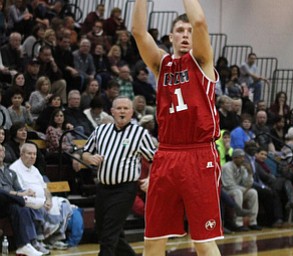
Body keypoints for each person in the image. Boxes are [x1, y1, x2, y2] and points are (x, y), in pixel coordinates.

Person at [132, 1, 223, 255]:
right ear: (170, 36)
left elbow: (201, 22)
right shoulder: (161, 65)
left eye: (189, 31)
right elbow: (138, 32)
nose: (186, 34)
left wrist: (195, 25)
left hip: (199, 153)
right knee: (153, 239)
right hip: (166, 154)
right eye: (180, 30)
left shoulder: (202, 61)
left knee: (203, 241)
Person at [81, 96, 156, 256]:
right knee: (103, 230)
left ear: (131, 112)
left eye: (126, 108)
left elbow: (155, 160)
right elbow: (85, 152)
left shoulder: (140, 133)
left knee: (108, 234)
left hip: (125, 189)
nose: (122, 111)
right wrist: (90, 158)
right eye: (119, 108)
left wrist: (150, 178)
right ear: (112, 111)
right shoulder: (101, 130)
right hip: (103, 188)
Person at [9, 143, 73, 250]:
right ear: (22, 154)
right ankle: (39, 240)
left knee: (64, 204)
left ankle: (55, 239)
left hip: (44, 200)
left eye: (34, 154)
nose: (32, 156)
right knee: (35, 207)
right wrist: (40, 202)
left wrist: (49, 200)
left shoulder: (35, 169)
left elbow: (45, 188)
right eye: (29, 153)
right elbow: (19, 190)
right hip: (29, 200)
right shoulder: (14, 168)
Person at [0, 144, 49, 256]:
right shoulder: (14, 168)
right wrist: (20, 195)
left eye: (2, 151)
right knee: (2, 193)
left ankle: (24, 245)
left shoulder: (10, 172)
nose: (0, 153)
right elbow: (11, 191)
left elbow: (19, 189)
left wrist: (25, 193)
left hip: (9, 204)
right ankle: (25, 201)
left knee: (19, 207)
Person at [221, 148, 261, 231]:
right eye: (240, 157)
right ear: (234, 158)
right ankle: (238, 223)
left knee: (253, 192)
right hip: (226, 191)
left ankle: (253, 222)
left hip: (238, 190)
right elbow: (229, 185)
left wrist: (250, 173)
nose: (243, 159)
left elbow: (247, 184)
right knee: (238, 192)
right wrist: (244, 189)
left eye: (243, 157)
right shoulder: (227, 167)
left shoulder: (242, 168)